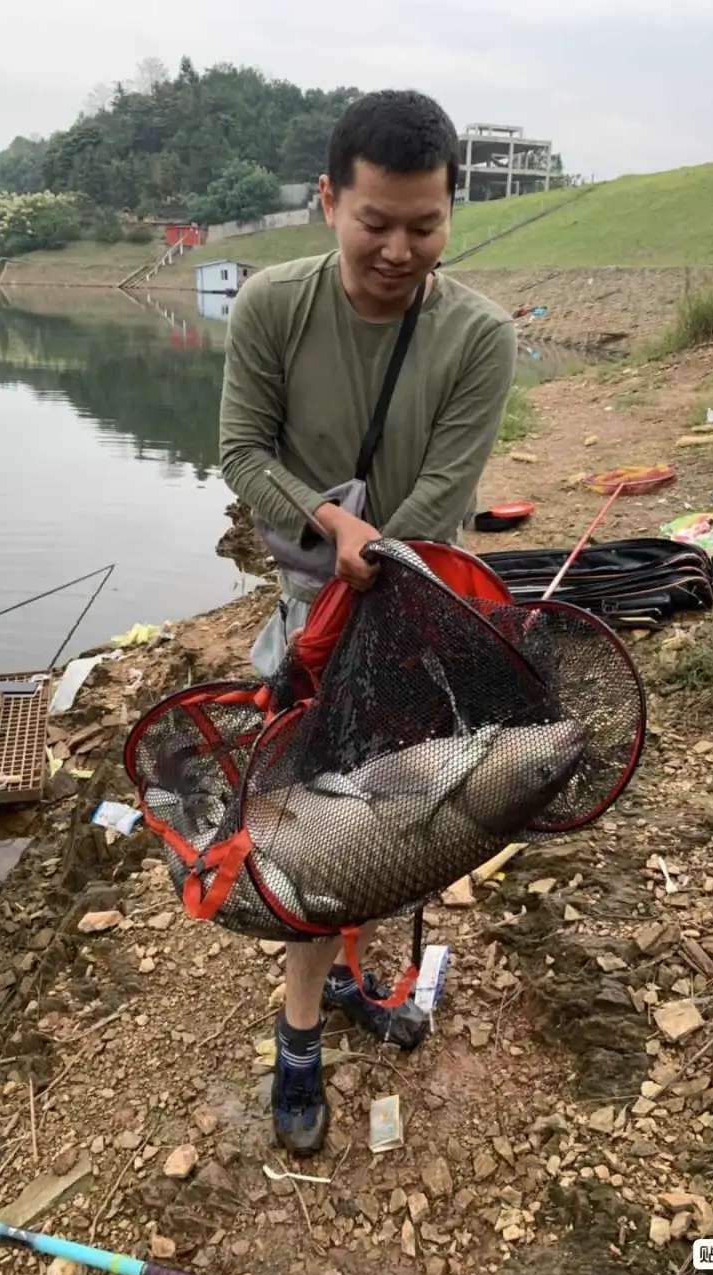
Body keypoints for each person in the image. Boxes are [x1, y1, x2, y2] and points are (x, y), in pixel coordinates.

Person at [219, 89, 517, 1156]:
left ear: (452, 210)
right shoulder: (272, 306)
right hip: (312, 609)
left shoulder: (479, 335)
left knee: (396, 820)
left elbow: (445, 490)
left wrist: (381, 559)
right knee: (315, 827)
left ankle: (351, 976)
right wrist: (332, 521)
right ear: (329, 200)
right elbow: (242, 452)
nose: (400, 249)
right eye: (375, 222)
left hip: (418, 610)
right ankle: (299, 1037)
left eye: (425, 226)